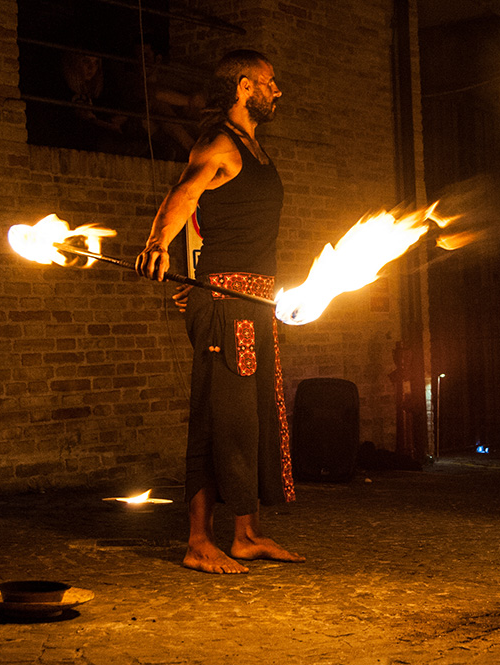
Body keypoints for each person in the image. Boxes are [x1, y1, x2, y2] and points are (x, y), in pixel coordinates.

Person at [136, 50, 303, 574]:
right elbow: (184, 195)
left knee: (249, 422)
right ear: (244, 86)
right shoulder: (218, 143)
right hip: (226, 304)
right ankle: (197, 541)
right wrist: (158, 245)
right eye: (269, 82)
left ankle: (246, 534)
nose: (277, 91)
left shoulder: (254, 149)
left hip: (255, 304)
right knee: (217, 422)